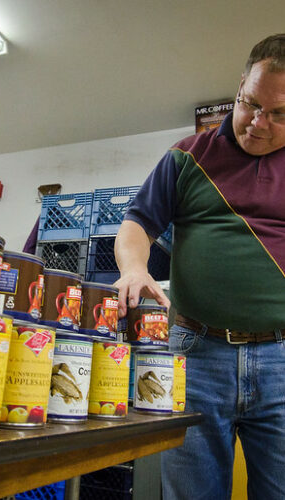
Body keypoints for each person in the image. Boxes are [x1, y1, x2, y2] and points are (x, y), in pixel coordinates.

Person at [113, 33, 285, 500]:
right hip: (195, 353)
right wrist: (133, 269)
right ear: (240, 87)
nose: (257, 123)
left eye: (279, 113)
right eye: (249, 103)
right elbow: (136, 224)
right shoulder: (190, 155)